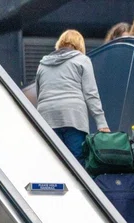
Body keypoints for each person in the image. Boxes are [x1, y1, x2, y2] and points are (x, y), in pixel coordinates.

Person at [35, 30, 110, 161]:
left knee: (52, 161)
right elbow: (91, 94)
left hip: (46, 117)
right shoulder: (82, 60)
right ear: (80, 45)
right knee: (76, 161)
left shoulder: (43, 64)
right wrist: (101, 123)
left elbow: (39, 93)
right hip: (73, 116)